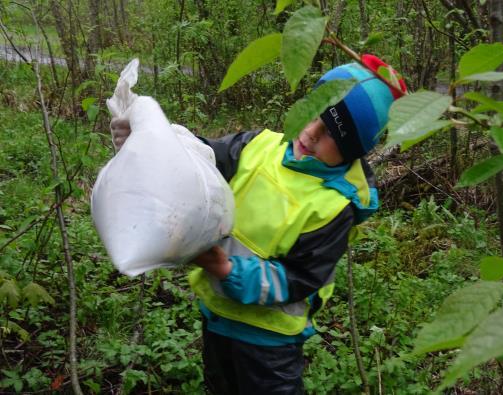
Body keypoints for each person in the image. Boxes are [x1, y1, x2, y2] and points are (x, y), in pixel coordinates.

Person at [110, 55, 406, 394]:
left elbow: (298, 278)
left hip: (270, 344)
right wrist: (151, 142)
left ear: (352, 151)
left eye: (330, 135)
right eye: (312, 113)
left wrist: (225, 269)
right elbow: (203, 163)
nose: (309, 134)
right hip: (217, 318)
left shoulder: (334, 206)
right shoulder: (260, 145)